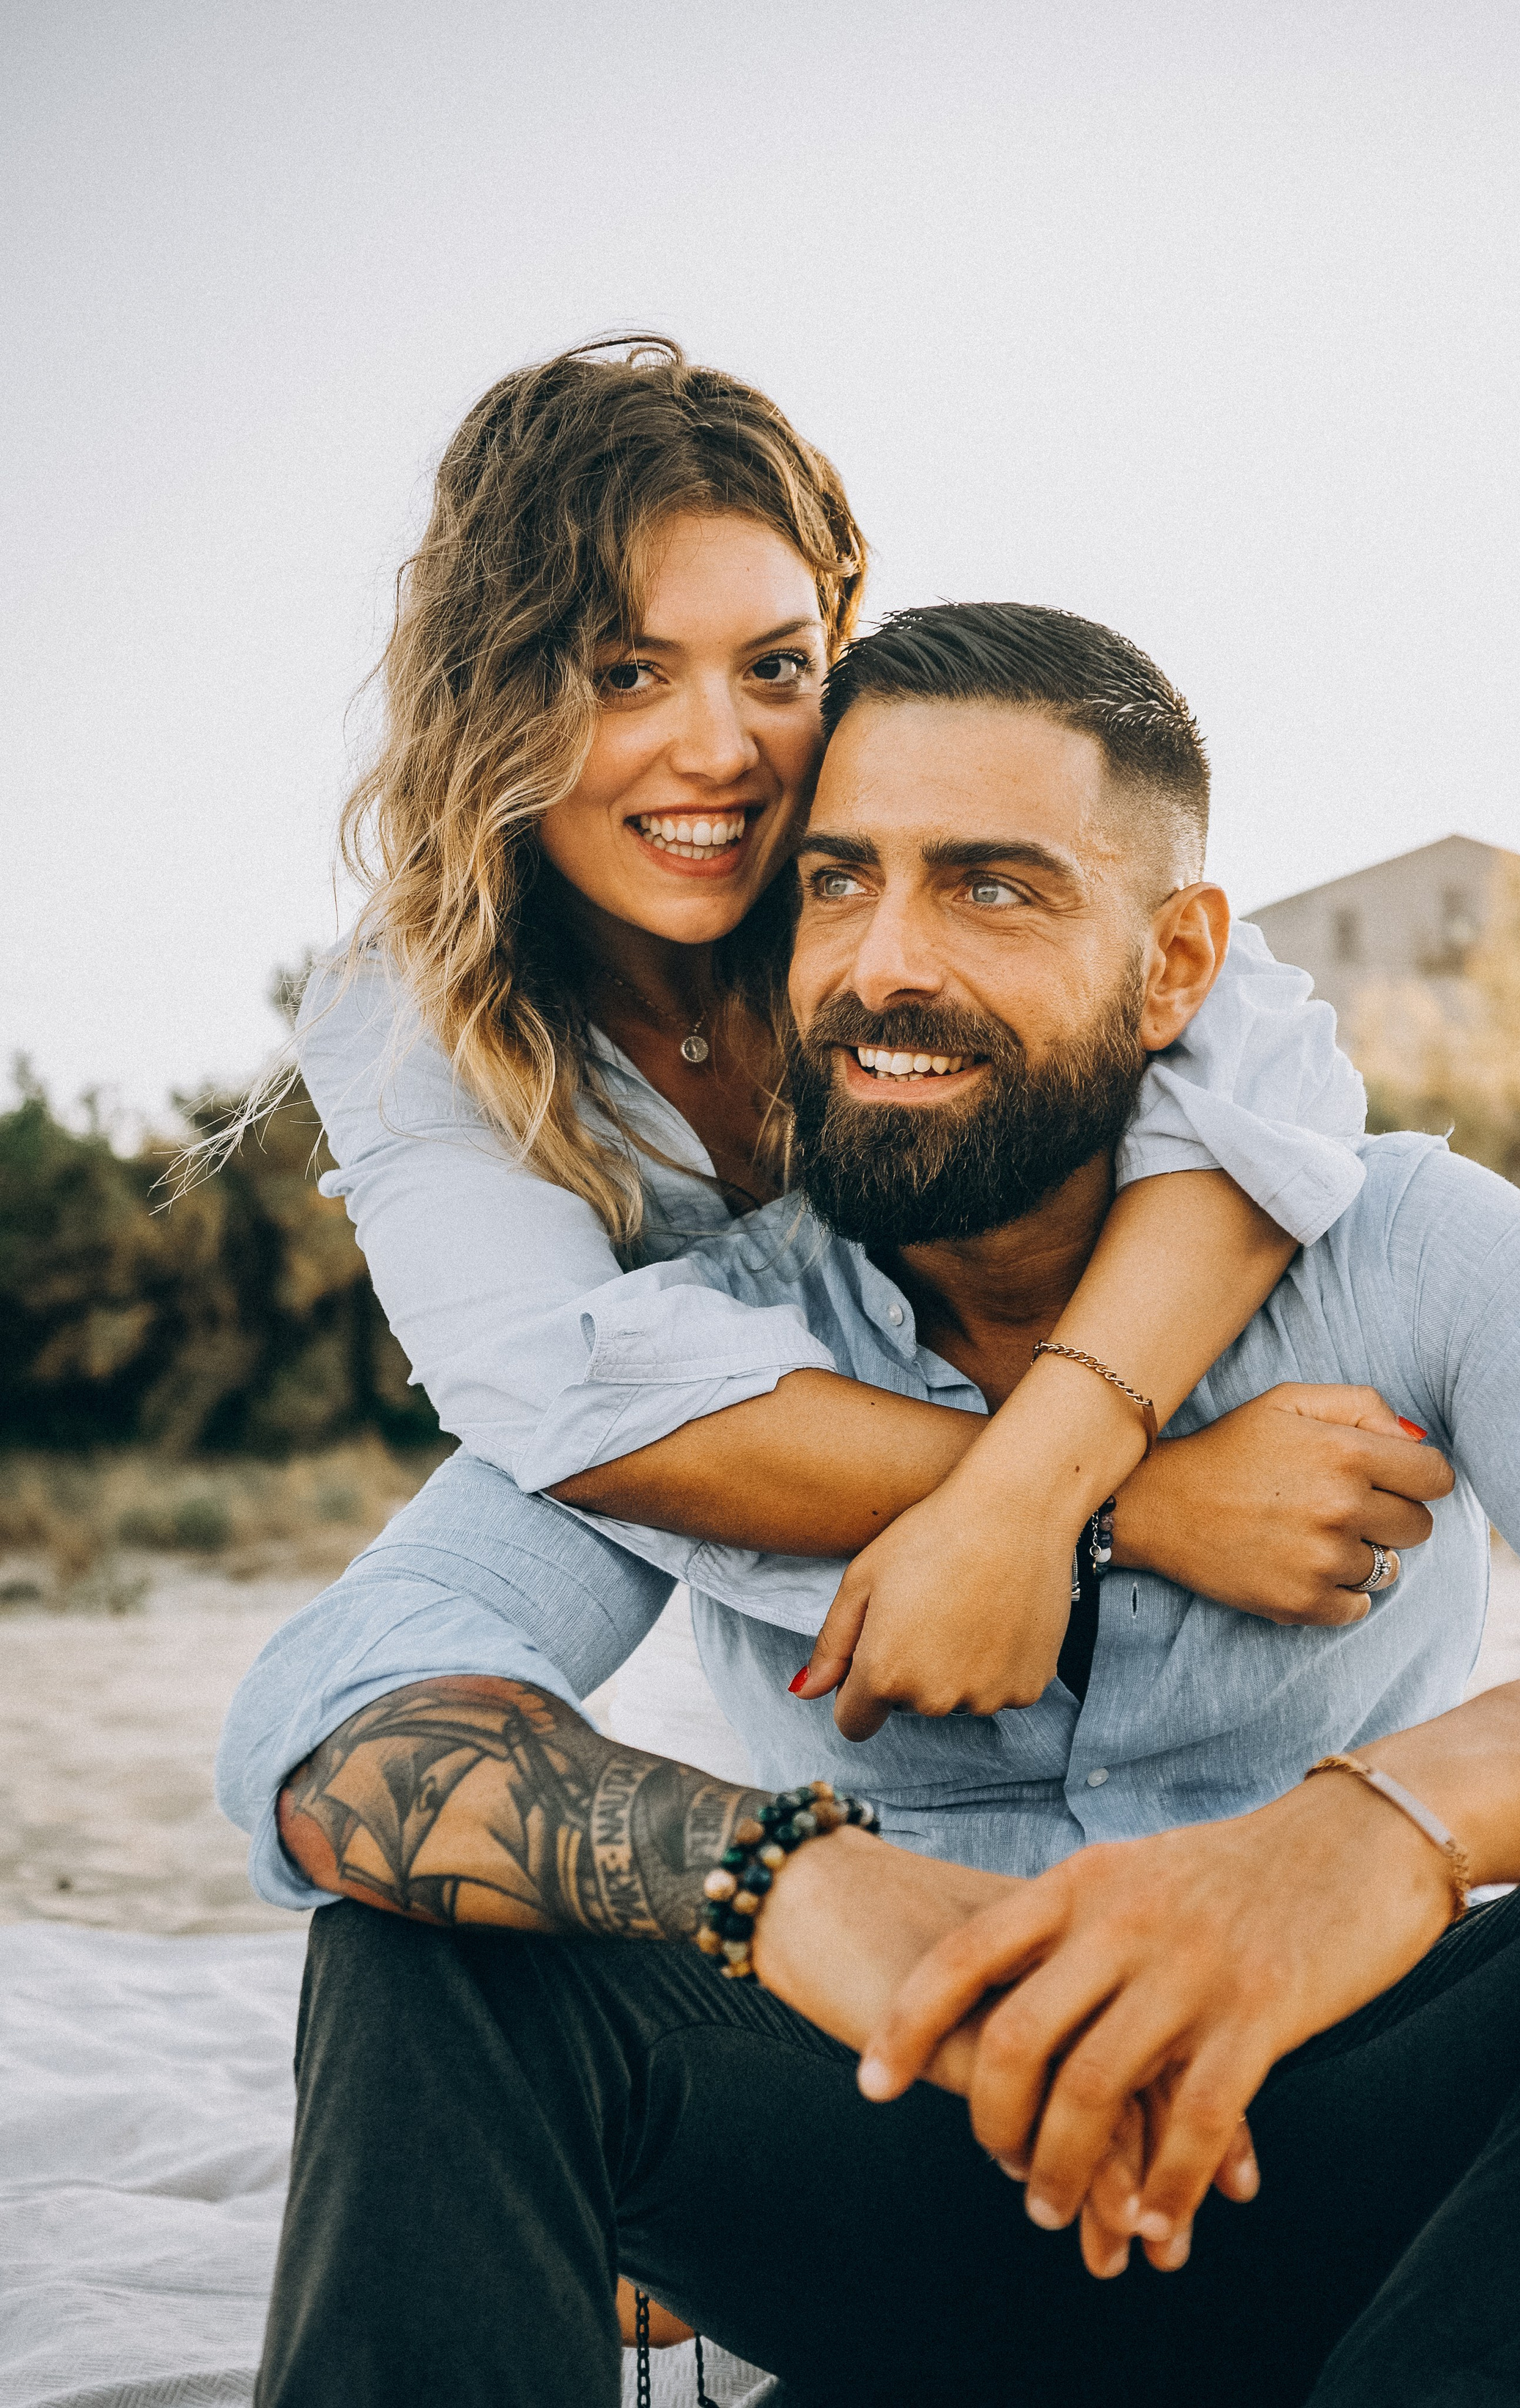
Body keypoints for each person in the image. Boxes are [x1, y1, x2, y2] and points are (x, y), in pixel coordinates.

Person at [222, 603, 1520, 2408]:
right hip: (907, 2167)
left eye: (989, 888)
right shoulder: (714, 1355)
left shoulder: (1388, 1245)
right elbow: (333, 1710)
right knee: (432, 1933)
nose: (883, 962)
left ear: (1173, 967)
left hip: (1362, 2174)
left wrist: (1372, 1834)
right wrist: (779, 1877)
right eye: (837, 883)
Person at [276, 334, 1403, 1723]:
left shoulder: (890, 862)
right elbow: (561, 1394)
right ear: (496, 693)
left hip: (1097, 1378)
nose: (722, 750)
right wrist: (1138, 1505)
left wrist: (1051, 1469)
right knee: (348, 1711)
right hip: (702, 1475)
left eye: (774, 667)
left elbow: (1269, 1068)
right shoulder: (409, 998)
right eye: (629, 672)